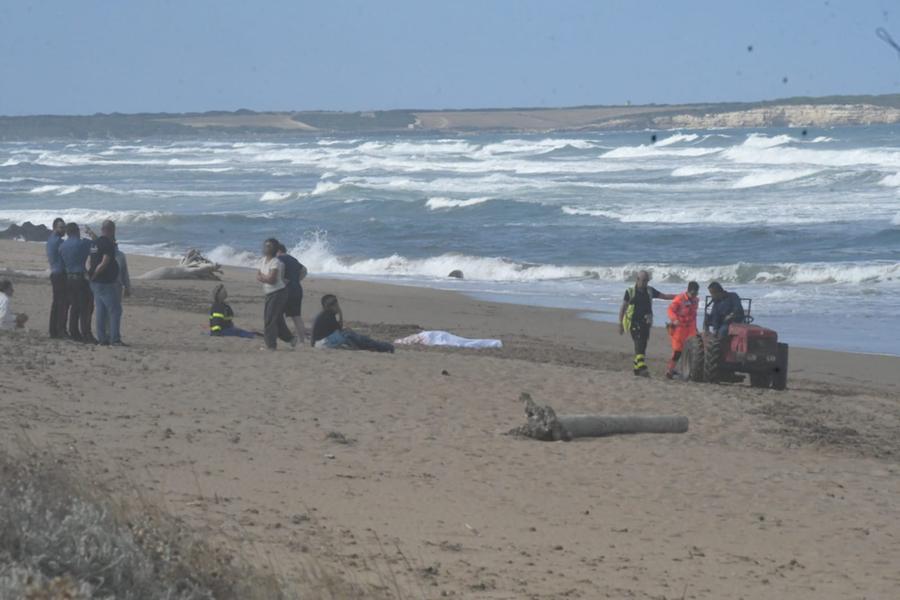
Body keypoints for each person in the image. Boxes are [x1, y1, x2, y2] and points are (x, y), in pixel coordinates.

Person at [618, 270, 675, 377]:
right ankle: (643, 369)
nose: (644, 283)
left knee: (643, 346)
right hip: (634, 323)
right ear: (637, 280)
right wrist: (620, 324)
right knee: (639, 345)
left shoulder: (650, 291)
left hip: (646, 323)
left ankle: (637, 369)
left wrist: (678, 296)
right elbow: (623, 308)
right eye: (642, 280)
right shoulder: (630, 292)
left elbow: (664, 296)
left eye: (646, 281)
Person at [311, 294, 394, 353]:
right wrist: (340, 313)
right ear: (329, 307)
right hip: (321, 343)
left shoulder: (325, 314)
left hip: (320, 342)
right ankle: (383, 347)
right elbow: (339, 329)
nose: (336, 306)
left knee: (351, 334)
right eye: (335, 304)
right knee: (349, 334)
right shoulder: (328, 316)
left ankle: (374, 345)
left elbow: (336, 330)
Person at [58, 222, 96, 343]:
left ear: (68, 233)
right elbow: (97, 242)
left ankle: (74, 332)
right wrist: (90, 232)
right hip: (81, 277)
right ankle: (86, 334)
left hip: (69, 278)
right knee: (87, 306)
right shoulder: (82, 243)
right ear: (77, 231)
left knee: (74, 306)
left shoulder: (62, 246)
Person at [88, 220, 124, 346]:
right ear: (111, 230)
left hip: (96, 283)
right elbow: (104, 262)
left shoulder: (94, 243)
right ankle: (115, 339)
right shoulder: (108, 244)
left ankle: (102, 338)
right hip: (104, 282)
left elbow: (91, 261)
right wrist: (95, 274)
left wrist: (91, 275)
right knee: (115, 310)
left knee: (101, 310)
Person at [256, 238, 296, 350]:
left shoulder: (276, 262)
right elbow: (258, 275)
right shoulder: (262, 260)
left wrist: (264, 277)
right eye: (266, 245)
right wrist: (265, 277)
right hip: (269, 292)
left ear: (275, 249)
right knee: (276, 319)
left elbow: (272, 280)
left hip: (278, 293)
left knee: (269, 319)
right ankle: (290, 339)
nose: (266, 248)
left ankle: (271, 345)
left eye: (269, 246)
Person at [665, 281, 700, 379]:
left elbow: (694, 315)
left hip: (690, 328)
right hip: (679, 328)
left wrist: (695, 328)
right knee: (678, 351)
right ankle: (670, 370)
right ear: (688, 291)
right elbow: (670, 310)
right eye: (693, 293)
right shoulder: (680, 299)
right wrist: (674, 319)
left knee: (692, 350)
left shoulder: (696, 300)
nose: (694, 295)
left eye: (696, 293)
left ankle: (688, 371)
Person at [276, 243, 308, 344]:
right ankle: (302, 341)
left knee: (277, 314)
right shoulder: (293, 259)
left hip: (286, 291)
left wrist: (281, 281)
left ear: (278, 251)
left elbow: (280, 270)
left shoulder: (279, 259)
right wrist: (297, 280)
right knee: (296, 316)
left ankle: (284, 336)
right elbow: (304, 270)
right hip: (297, 289)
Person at [46, 217, 69, 338]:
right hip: (60, 274)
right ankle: (60, 330)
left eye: (64, 227)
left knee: (56, 303)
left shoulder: (51, 239)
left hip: (55, 273)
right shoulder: (58, 242)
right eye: (61, 227)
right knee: (62, 303)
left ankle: (53, 330)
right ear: (55, 228)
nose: (64, 229)